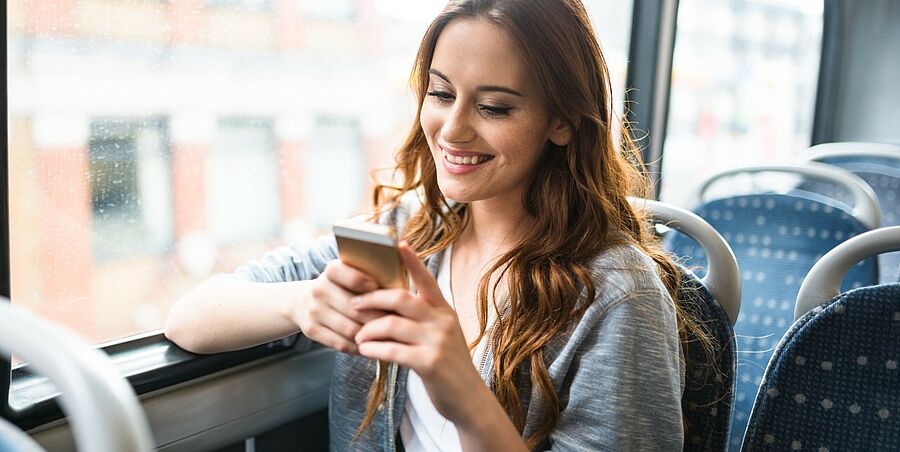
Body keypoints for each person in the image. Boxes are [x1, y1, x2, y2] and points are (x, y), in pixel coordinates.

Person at [165, 0, 713, 450]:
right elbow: (190, 319)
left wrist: (466, 395)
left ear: (563, 122)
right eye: (442, 93)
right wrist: (302, 305)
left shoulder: (617, 294)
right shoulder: (406, 233)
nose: (452, 130)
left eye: (494, 108)